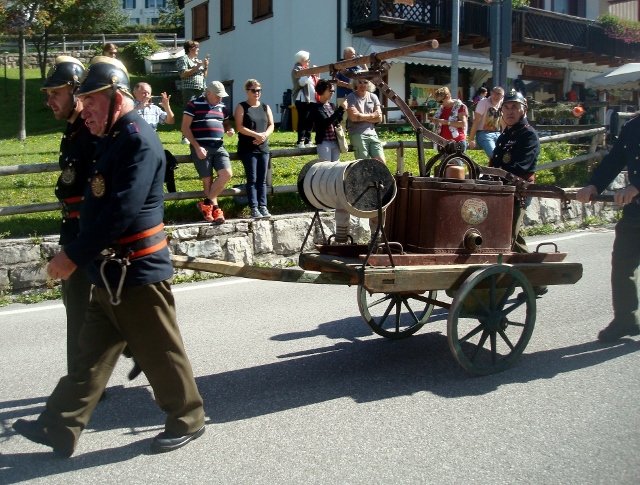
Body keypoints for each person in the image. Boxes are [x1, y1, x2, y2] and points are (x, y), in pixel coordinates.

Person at [12, 56, 205, 457]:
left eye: (94, 101)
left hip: (136, 269)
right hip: (110, 269)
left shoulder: (136, 138)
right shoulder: (115, 136)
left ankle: (188, 418)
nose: (88, 110)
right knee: (89, 357)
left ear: (117, 97)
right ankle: (59, 426)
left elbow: (122, 209)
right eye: (84, 100)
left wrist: (73, 255)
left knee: (161, 351)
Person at [40, 56, 97, 375]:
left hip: (87, 235)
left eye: (56, 93)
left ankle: (80, 380)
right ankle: (83, 378)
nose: (50, 101)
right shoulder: (73, 132)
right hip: (75, 230)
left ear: (76, 91)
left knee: (83, 307)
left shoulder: (89, 134)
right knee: (78, 306)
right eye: (48, 95)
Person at [576, 114, 640, 342]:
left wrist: (636, 186)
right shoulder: (633, 126)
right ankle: (626, 319)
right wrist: (594, 184)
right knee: (622, 263)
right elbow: (615, 160)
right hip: (636, 211)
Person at [490, 89, 541, 256]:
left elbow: (521, 167)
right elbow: (495, 163)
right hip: (501, 190)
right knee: (512, 235)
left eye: (515, 107)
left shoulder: (528, 135)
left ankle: (530, 272)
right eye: (506, 107)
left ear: (523, 110)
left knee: (507, 234)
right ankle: (534, 272)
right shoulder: (505, 135)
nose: (510, 111)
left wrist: (496, 175)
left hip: (518, 190)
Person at [182, 80, 235, 224]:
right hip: (201, 146)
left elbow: (225, 121)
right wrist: (197, 146)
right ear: (208, 93)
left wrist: (229, 129)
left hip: (218, 146)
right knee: (207, 180)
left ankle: (206, 204)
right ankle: (214, 209)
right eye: (218, 96)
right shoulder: (194, 104)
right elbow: (185, 128)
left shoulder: (221, 106)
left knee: (226, 174)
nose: (220, 98)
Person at [234, 79, 274, 220]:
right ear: (247, 91)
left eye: (259, 90)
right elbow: (239, 127)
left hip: (263, 147)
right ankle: (254, 208)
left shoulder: (265, 106)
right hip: (248, 148)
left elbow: (271, 125)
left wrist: (264, 136)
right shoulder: (242, 106)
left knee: (262, 180)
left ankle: (263, 206)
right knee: (252, 179)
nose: (257, 93)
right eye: (254, 90)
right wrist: (255, 135)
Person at [346, 78, 385, 163]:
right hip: (357, 133)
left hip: (372, 134)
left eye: (365, 82)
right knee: (364, 163)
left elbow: (379, 118)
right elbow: (353, 118)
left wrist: (360, 116)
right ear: (356, 83)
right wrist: (372, 115)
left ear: (369, 84)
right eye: (360, 82)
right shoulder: (351, 97)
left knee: (381, 162)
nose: (362, 85)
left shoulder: (373, 96)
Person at [310, 79, 347, 162]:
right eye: (330, 90)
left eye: (333, 91)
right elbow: (325, 122)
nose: (332, 92)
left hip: (335, 141)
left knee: (335, 167)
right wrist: (340, 109)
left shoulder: (332, 105)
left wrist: (343, 110)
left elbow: (336, 121)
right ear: (322, 90)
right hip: (324, 142)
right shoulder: (316, 107)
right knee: (326, 168)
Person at [468, 85, 505, 158]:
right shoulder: (483, 103)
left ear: (502, 96)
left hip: (497, 133)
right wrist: (471, 139)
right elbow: (476, 121)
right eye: (494, 93)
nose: (496, 96)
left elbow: (503, 122)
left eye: (499, 94)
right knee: (494, 156)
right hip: (484, 134)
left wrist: (504, 135)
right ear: (491, 93)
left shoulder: (501, 104)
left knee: (507, 154)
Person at [291, 50, 317, 148]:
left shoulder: (305, 69)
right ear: (302, 60)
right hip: (301, 99)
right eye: (307, 60)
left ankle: (308, 140)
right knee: (303, 120)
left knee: (310, 120)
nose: (309, 61)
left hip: (311, 99)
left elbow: (312, 83)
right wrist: (309, 73)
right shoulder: (296, 69)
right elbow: (300, 83)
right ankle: (300, 141)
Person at [335, 47, 367, 115]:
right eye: (352, 54)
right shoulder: (340, 65)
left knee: (355, 116)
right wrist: (347, 85)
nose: (354, 56)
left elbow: (366, 74)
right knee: (343, 118)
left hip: (356, 96)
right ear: (346, 55)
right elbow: (335, 80)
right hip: (343, 96)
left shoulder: (356, 66)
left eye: (354, 54)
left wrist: (363, 62)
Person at [176, 40, 209, 104]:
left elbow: (204, 76)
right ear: (190, 49)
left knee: (200, 109)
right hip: (190, 89)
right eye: (197, 47)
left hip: (201, 89)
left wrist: (206, 66)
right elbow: (183, 74)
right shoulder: (183, 59)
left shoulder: (197, 60)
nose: (198, 49)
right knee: (190, 109)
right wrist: (197, 67)